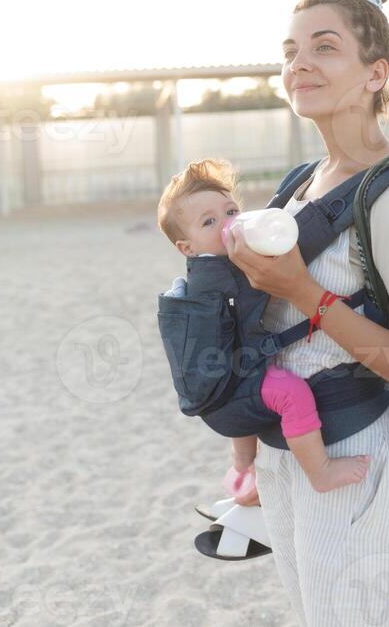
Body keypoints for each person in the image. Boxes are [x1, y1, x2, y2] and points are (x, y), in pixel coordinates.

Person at [221, 0, 389, 626]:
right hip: (287, 458)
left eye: (325, 47)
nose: (300, 63)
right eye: (291, 50)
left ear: (376, 72)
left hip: (352, 459)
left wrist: (303, 292)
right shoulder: (300, 184)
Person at [157, 159, 372, 494]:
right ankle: (320, 471)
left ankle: (243, 468)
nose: (227, 224)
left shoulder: (211, 265)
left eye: (230, 212)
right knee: (292, 393)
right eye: (209, 222)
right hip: (233, 389)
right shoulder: (217, 276)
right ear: (188, 247)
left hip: (223, 391)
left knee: (244, 388)